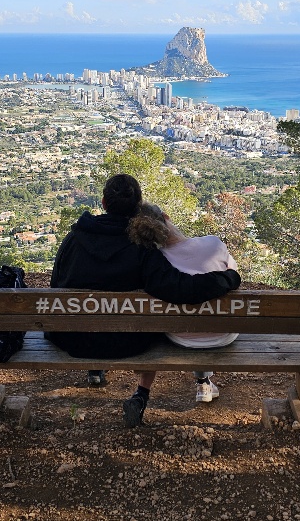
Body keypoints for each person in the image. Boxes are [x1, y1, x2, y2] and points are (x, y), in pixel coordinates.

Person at [49, 173, 241, 427]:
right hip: (126, 342)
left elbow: (56, 287)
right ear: (138, 207)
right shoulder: (141, 247)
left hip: (72, 338)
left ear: (104, 203)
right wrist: (229, 278)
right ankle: (152, 390)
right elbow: (181, 289)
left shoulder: (74, 240)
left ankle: (95, 371)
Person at [126, 202, 239, 409]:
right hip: (224, 334)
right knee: (207, 310)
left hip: (182, 337)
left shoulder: (157, 263)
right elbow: (233, 280)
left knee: (178, 319)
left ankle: (143, 391)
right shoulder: (213, 245)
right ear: (166, 217)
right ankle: (204, 382)